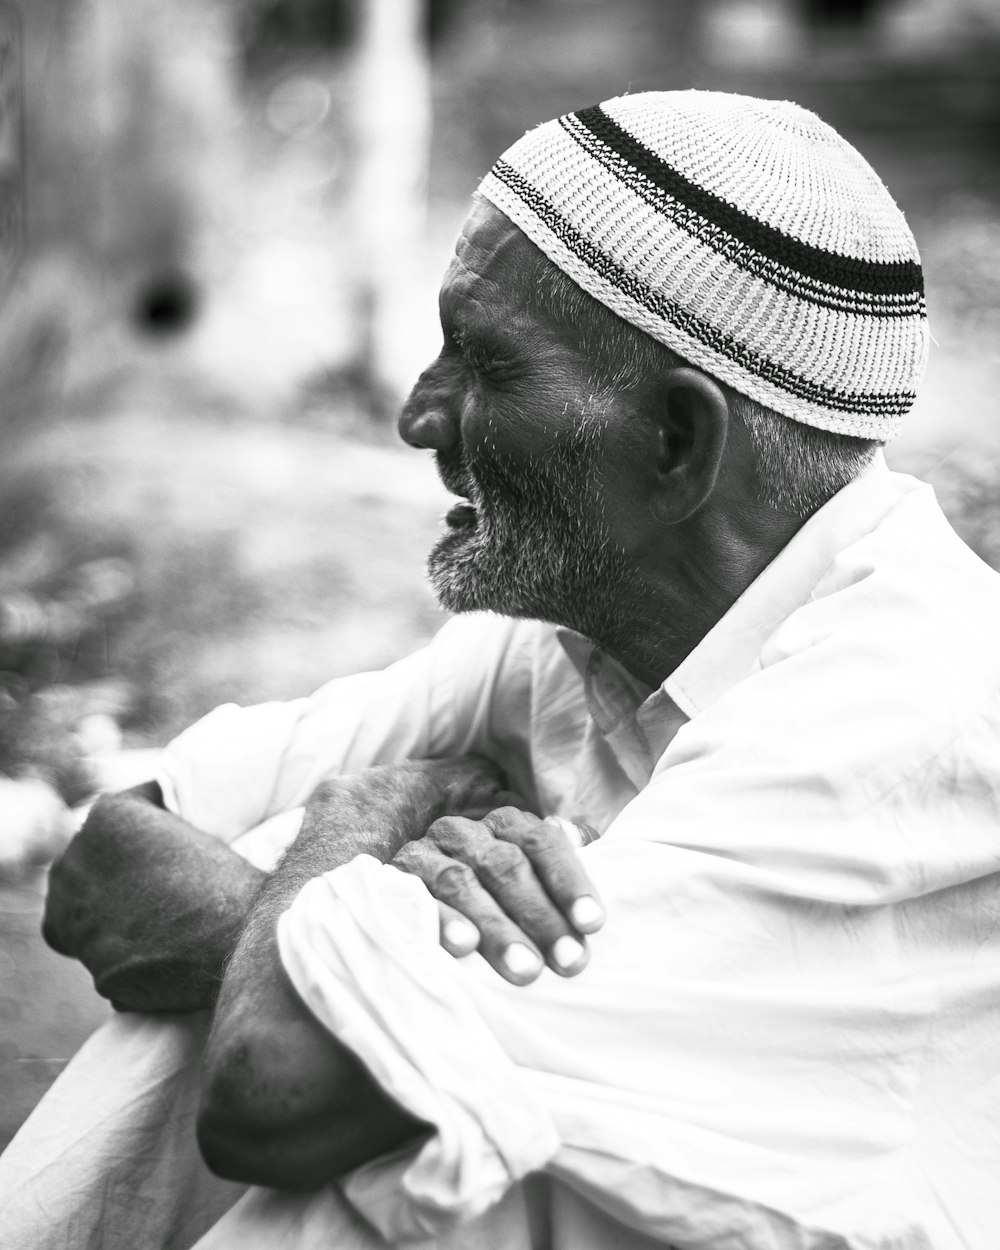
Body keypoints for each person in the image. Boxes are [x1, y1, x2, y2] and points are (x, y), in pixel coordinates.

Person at [6, 89, 1000, 1249]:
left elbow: (272, 1090)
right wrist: (328, 924)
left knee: (357, 1014)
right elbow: (105, 859)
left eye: (483, 362)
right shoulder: (569, 637)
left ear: (676, 445)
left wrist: (352, 826)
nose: (419, 416)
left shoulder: (902, 717)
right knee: (328, 944)